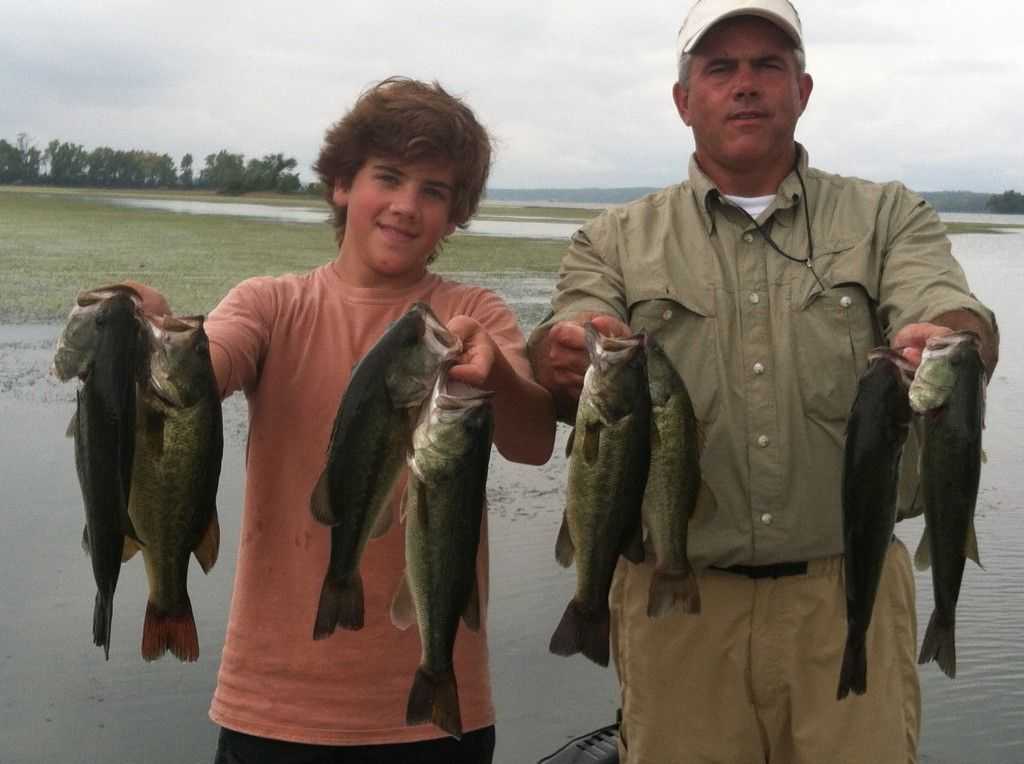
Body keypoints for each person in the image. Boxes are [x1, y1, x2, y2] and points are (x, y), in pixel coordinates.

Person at [528, 2, 998, 763]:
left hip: (850, 596)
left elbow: (949, 306)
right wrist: (562, 353)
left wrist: (951, 337)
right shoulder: (609, 239)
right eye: (720, 68)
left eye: (767, 65)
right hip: (677, 610)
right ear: (684, 101)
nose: (745, 84)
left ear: (802, 90)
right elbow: (570, 340)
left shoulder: (888, 215)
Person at [129, 77, 555, 764]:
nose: (406, 206)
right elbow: (211, 362)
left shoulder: (476, 312)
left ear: (455, 215)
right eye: (387, 177)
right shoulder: (270, 303)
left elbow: (534, 443)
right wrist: (143, 325)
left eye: (434, 191)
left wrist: (496, 372)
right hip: (272, 708)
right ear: (340, 186)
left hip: (439, 705)